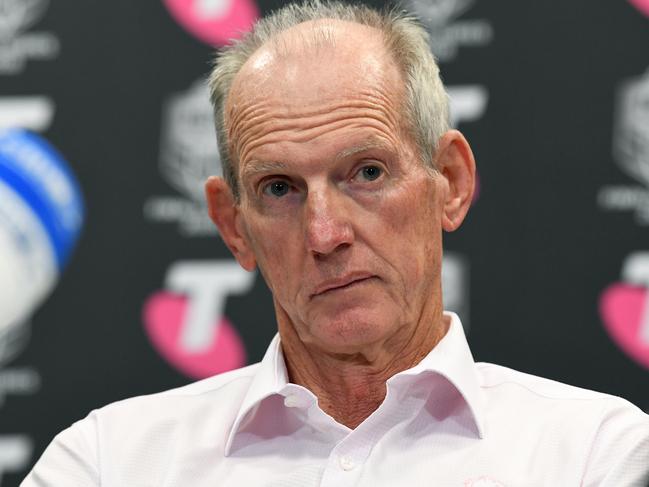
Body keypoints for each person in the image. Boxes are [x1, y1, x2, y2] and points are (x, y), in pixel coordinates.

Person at [21, 1, 649, 486]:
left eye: (367, 173)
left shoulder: (596, 454)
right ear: (234, 226)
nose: (325, 234)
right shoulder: (110, 463)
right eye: (279, 189)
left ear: (451, 183)